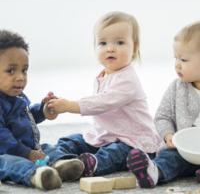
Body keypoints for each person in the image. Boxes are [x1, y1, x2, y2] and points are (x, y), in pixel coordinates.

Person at [47, 11, 161, 178]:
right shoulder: (103, 75)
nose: (110, 48)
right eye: (102, 43)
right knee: (70, 141)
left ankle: (89, 165)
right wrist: (57, 104)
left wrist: (69, 105)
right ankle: (63, 161)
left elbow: (101, 102)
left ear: (134, 47)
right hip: (105, 135)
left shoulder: (128, 80)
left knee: (115, 153)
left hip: (132, 141)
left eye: (120, 42)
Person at [0, 30, 84, 190]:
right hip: (6, 152)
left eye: (24, 70)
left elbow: (27, 117)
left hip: (29, 149)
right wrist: (26, 153)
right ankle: (37, 175)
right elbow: (1, 137)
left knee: (47, 148)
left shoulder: (18, 97)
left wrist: (44, 110)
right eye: (11, 71)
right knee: (8, 163)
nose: (20, 77)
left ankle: (61, 164)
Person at [127, 21, 200, 188]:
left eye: (183, 59)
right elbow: (162, 116)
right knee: (169, 157)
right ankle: (153, 172)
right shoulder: (176, 88)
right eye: (176, 58)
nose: (177, 64)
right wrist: (168, 135)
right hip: (184, 152)